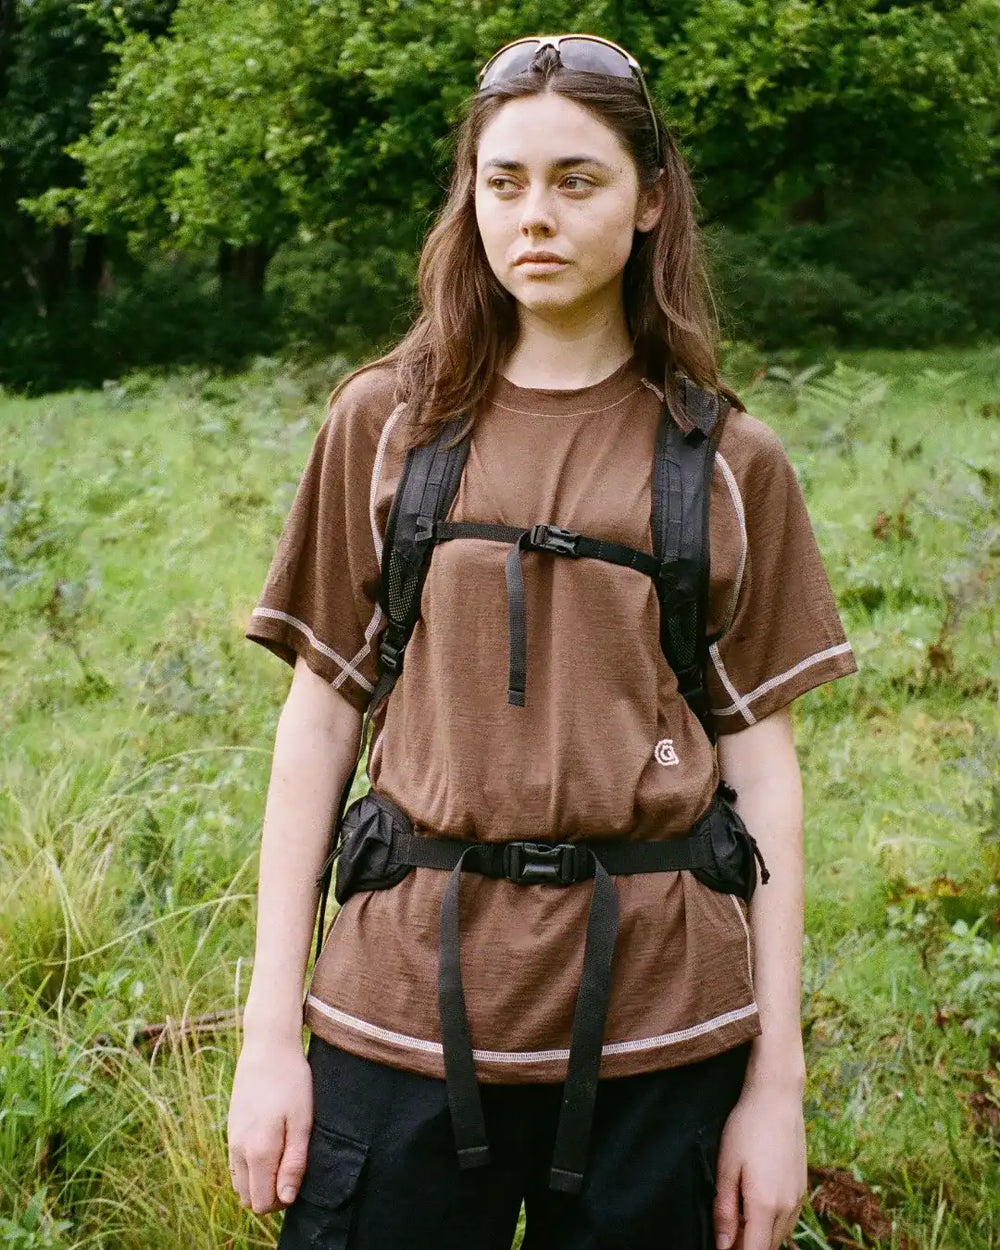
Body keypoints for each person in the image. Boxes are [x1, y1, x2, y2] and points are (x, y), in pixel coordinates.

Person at [226, 32, 857, 1250]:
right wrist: (267, 1036)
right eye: (503, 181)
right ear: (469, 199)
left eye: (578, 179)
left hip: (661, 1028)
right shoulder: (386, 424)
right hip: (397, 1008)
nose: (535, 215)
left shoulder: (726, 461)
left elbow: (764, 772)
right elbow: (317, 720)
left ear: (649, 201)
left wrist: (775, 1088)